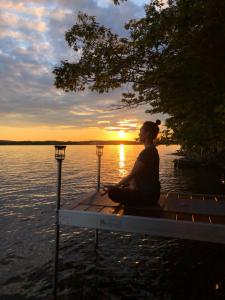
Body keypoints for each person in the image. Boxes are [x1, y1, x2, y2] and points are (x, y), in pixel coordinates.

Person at [103, 120, 161, 206]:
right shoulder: (152, 150)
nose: (139, 134)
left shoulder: (147, 152)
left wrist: (115, 186)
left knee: (112, 192)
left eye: (141, 131)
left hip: (147, 197)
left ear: (147, 134)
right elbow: (136, 175)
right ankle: (132, 190)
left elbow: (132, 175)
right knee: (126, 185)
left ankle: (133, 197)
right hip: (152, 194)